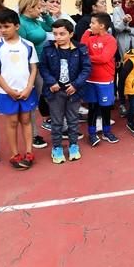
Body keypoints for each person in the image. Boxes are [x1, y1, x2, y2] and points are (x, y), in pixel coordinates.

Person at [0, 9, 39, 170]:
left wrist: (29, 87)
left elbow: (33, 68)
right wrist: (8, 90)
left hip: (26, 91)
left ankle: (29, 152)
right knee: (12, 122)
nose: (2, 30)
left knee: (26, 120)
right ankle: (15, 154)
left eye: (6, 26)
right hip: (6, 93)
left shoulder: (28, 45)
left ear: (17, 26)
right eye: (0, 27)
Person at [39, 19, 91, 164]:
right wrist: (51, 82)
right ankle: (57, 147)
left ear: (71, 33)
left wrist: (76, 85)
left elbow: (86, 68)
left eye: (62, 34)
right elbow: (43, 67)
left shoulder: (80, 49)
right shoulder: (48, 49)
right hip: (55, 91)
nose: (58, 37)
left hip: (74, 91)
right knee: (56, 122)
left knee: (73, 120)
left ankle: (73, 145)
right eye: (55, 34)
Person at [18, 0, 54, 147]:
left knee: (44, 97)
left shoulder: (35, 21)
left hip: (41, 64)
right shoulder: (22, 23)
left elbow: (51, 26)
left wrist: (45, 14)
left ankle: (56, 126)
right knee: (32, 100)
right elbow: (22, 47)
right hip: (30, 66)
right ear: (29, 7)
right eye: (38, 8)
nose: (40, 10)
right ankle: (32, 135)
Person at [81, 13, 118, 145]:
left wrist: (88, 58)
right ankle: (91, 133)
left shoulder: (111, 40)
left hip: (105, 80)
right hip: (91, 79)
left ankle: (107, 132)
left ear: (101, 26)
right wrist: (86, 33)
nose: (90, 26)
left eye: (92, 23)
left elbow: (104, 58)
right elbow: (82, 49)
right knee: (92, 107)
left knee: (106, 108)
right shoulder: (90, 39)